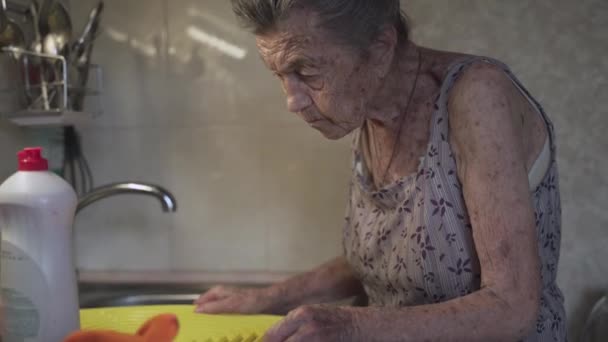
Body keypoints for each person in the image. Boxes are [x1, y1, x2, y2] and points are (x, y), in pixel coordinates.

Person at [194, 1, 567, 341]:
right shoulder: (366, 111)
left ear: (380, 49)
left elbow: (513, 306)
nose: (291, 101)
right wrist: (266, 298)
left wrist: (351, 325)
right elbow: (381, 262)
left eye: (305, 71)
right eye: (279, 75)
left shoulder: (477, 97)